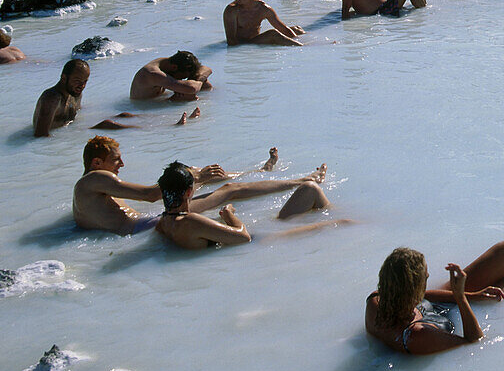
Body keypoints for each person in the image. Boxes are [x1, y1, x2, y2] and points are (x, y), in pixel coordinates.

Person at [365, 242, 504, 355]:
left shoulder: (377, 300)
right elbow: (474, 340)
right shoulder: (417, 336)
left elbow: (422, 296)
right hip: (454, 312)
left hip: (437, 305)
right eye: (425, 277)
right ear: (413, 287)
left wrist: (473, 295)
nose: (429, 275)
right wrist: (460, 297)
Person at [73, 135, 232, 235]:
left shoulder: (83, 188)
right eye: (116, 160)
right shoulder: (96, 177)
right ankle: (248, 174)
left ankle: (240, 174)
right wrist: (196, 176)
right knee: (226, 191)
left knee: (194, 179)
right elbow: (150, 196)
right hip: (142, 229)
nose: (122, 164)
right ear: (97, 162)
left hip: (138, 228)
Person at [155, 160, 331, 249]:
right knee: (310, 190)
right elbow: (243, 237)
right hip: (262, 238)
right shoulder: (190, 221)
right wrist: (229, 214)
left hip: (259, 237)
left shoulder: (163, 223)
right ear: (188, 192)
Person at [223, 0, 305, 46]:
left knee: (297, 29)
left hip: (255, 40)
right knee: (273, 34)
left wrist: (296, 39)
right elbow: (231, 41)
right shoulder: (232, 10)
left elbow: (283, 28)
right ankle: (303, 47)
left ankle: (301, 46)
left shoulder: (263, 9)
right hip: (243, 44)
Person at [32, 59, 90, 136]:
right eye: (77, 81)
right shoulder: (51, 99)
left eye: (85, 81)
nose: (82, 86)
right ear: (64, 78)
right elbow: (40, 135)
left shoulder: (76, 93)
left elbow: (77, 119)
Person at [129, 51, 213, 101]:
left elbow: (206, 69)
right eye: (182, 77)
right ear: (174, 67)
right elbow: (192, 89)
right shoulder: (153, 73)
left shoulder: (168, 62)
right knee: (190, 93)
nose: (182, 79)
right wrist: (197, 80)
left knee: (205, 84)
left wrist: (197, 77)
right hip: (145, 108)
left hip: (158, 100)